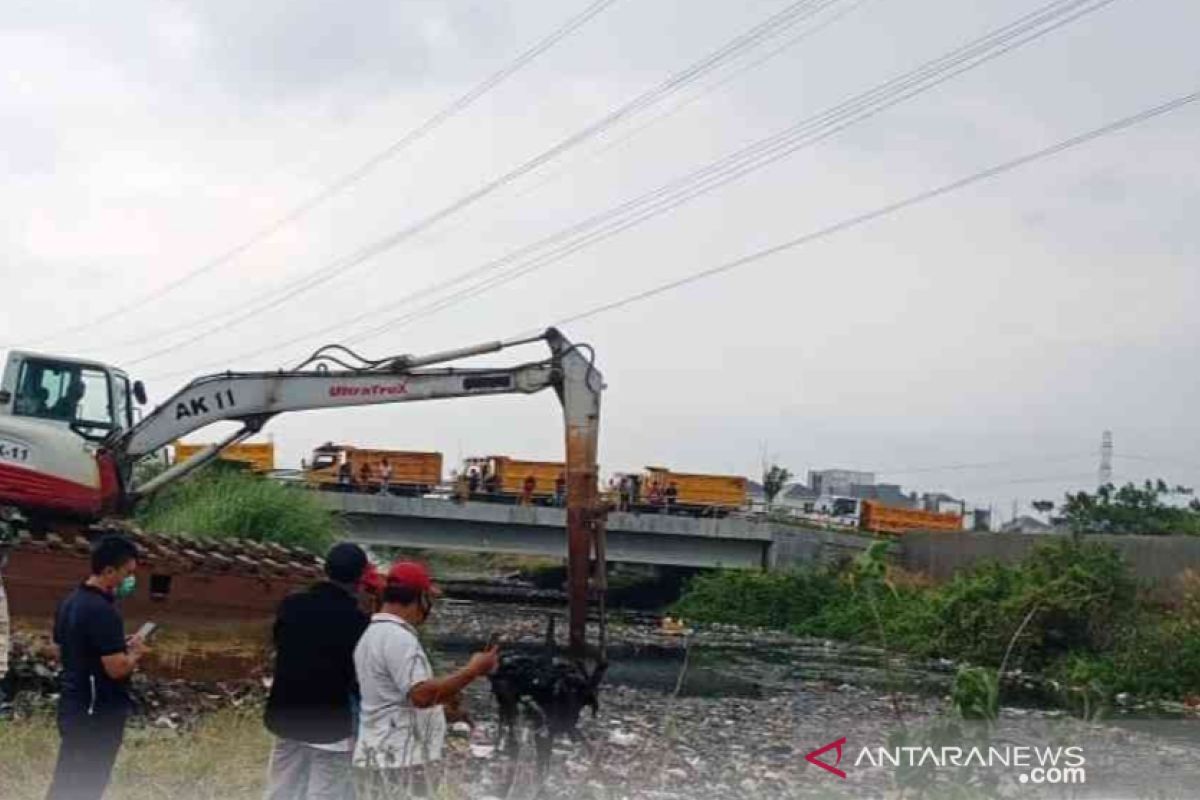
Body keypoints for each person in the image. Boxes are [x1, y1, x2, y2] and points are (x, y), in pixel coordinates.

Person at [353, 561, 498, 796]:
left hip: (381, 757)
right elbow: (421, 695)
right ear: (420, 598)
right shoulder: (398, 638)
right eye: (429, 599)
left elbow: (396, 699)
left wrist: (444, 713)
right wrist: (473, 670)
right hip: (400, 762)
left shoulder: (375, 634)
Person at [264, 543, 372, 800]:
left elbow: (279, 644)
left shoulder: (292, 606)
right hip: (329, 725)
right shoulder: (358, 623)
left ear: (325, 569)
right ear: (359, 578)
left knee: (281, 790)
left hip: (287, 716)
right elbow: (359, 678)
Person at [46, 534, 147, 800]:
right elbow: (116, 669)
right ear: (109, 570)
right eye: (127, 573)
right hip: (97, 710)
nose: (130, 579)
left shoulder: (70, 601)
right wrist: (135, 653)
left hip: (73, 701)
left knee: (67, 776)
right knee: (88, 782)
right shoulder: (102, 610)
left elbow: (60, 648)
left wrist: (111, 647)